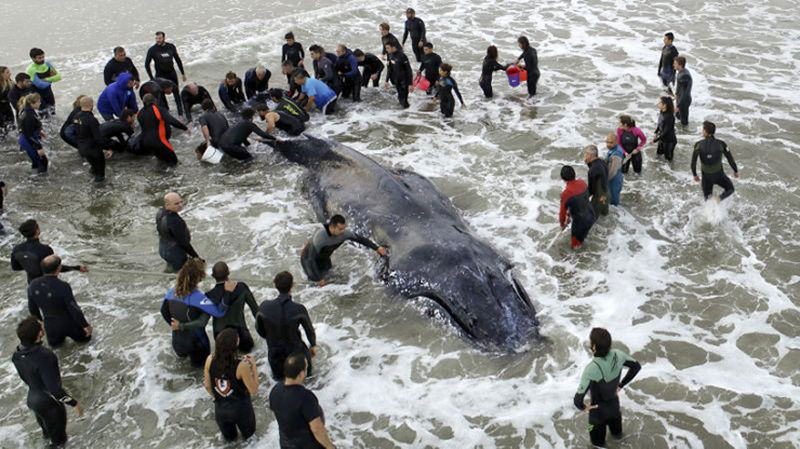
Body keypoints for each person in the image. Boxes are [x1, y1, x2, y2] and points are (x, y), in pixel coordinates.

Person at [12, 317, 85, 448]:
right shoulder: (45, 356)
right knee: (59, 443)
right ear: (39, 334)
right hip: (50, 404)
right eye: (41, 327)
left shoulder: (16, 355)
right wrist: (74, 403)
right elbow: (54, 390)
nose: (43, 327)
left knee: (47, 435)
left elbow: (25, 378)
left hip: (33, 401)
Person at [574, 328, 641, 448]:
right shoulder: (618, 354)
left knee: (597, 445)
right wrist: (621, 385)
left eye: (590, 341)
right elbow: (636, 367)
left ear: (594, 347)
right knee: (619, 437)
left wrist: (585, 408)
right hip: (615, 410)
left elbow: (577, 401)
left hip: (597, 416)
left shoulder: (591, 369)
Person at [161, 258, 235, 367]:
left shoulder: (172, 292)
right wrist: (228, 292)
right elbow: (219, 312)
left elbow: (163, 311)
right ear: (200, 277)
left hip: (177, 342)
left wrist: (175, 326)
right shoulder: (198, 298)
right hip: (196, 344)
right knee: (201, 373)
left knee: (183, 372)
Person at [256, 272, 316, 380]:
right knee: (308, 380)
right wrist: (313, 345)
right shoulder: (299, 309)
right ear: (292, 286)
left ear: (275, 285)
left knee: (280, 382)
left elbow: (259, 329)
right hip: (296, 355)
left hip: (275, 355)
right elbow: (309, 331)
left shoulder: (264, 307)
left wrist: (271, 337)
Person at [268, 353, 336, 449]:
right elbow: (317, 429)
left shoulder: (275, 390)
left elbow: (277, 414)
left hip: (286, 444)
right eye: (306, 367)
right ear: (301, 373)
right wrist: (330, 447)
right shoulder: (306, 397)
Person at [203, 328, 259, 441]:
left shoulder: (209, 360)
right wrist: (253, 365)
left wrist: (220, 398)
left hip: (221, 410)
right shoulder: (241, 366)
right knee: (250, 440)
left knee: (230, 443)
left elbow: (207, 386)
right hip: (241, 410)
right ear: (235, 344)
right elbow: (254, 390)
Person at [301, 214, 386, 285]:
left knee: (331, 280)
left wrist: (377, 248)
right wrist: (318, 278)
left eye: (344, 228)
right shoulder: (320, 238)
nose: (343, 231)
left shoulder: (344, 234)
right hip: (308, 261)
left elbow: (360, 239)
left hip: (324, 258)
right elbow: (310, 259)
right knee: (316, 285)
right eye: (340, 229)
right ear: (332, 227)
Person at [27, 255, 92, 346]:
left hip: (51, 327)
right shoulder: (63, 286)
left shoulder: (33, 285)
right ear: (59, 268)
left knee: (58, 350)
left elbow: (32, 308)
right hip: (70, 324)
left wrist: (41, 323)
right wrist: (85, 325)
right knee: (86, 342)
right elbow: (73, 308)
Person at [11, 219, 88, 284]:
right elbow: (55, 268)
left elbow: (15, 267)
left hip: (32, 286)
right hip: (47, 286)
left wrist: (30, 265)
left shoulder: (17, 249)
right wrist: (77, 268)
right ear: (37, 230)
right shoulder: (45, 249)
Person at [205, 262, 259, 353]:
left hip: (221, 339)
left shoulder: (209, 296)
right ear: (228, 272)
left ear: (213, 276)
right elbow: (256, 311)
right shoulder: (242, 287)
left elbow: (203, 321)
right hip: (242, 336)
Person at [691, 121, 739, 202]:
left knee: (707, 199)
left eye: (703, 130)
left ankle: (710, 212)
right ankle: (719, 199)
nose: (702, 131)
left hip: (706, 178)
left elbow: (693, 163)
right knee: (730, 189)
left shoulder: (698, 145)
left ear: (706, 131)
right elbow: (730, 159)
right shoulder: (721, 144)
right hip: (719, 175)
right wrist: (735, 171)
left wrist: (695, 175)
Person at [137, 93, 187, 164]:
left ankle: (160, 174)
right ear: (154, 101)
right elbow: (171, 120)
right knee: (175, 163)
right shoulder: (158, 109)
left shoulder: (140, 113)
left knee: (161, 162)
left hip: (146, 143)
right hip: (159, 141)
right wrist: (185, 128)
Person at [145, 31, 186, 114]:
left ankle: (180, 113)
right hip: (160, 76)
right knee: (161, 96)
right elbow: (146, 65)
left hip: (171, 74)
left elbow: (178, 60)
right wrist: (152, 79)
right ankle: (166, 112)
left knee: (176, 93)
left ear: (164, 38)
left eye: (159, 38)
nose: (158, 40)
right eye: (156, 38)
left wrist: (182, 73)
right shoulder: (152, 50)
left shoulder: (170, 47)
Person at [157, 192, 200, 271]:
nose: (180, 205)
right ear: (167, 205)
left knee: (171, 269)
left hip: (163, 250)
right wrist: (196, 257)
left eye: (181, 202)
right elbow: (184, 243)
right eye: (176, 204)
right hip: (175, 254)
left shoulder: (160, 212)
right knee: (182, 276)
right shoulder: (175, 221)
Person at [75, 96, 112, 182]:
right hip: (93, 150)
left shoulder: (76, 117)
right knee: (100, 175)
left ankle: (91, 182)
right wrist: (108, 148)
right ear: (92, 105)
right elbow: (98, 138)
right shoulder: (92, 120)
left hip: (82, 148)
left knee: (93, 167)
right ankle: (99, 192)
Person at [559, 165, 595, 250]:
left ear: (562, 178)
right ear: (574, 174)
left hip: (580, 223)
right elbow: (581, 200)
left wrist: (562, 225)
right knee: (583, 237)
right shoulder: (582, 182)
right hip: (591, 215)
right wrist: (569, 214)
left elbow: (562, 213)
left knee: (575, 247)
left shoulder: (566, 193)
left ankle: (579, 260)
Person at [17, 93, 49, 173]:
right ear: (31, 103)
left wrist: (39, 131)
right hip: (28, 140)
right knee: (42, 161)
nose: (40, 103)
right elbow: (29, 134)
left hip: (25, 138)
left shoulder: (26, 110)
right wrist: (39, 147)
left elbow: (26, 127)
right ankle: (39, 181)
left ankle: (34, 177)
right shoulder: (29, 115)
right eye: (38, 102)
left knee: (36, 162)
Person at [26, 48, 61, 114]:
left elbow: (59, 77)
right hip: (38, 94)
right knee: (44, 114)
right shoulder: (30, 69)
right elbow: (40, 85)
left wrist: (46, 79)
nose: (42, 59)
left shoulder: (47, 64)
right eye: (39, 58)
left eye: (43, 57)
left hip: (48, 91)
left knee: (52, 111)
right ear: (33, 58)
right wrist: (52, 78)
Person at [384, 41, 413, 109]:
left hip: (404, 80)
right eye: (386, 48)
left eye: (388, 48)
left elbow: (409, 70)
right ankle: (403, 115)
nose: (386, 50)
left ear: (393, 47)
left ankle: (407, 113)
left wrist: (410, 84)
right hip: (396, 80)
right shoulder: (389, 55)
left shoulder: (402, 56)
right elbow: (389, 69)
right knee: (400, 98)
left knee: (404, 100)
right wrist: (386, 81)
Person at [584, 145, 609, 217]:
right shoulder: (602, 162)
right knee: (604, 215)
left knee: (591, 217)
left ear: (590, 155)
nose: (585, 156)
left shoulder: (592, 170)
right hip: (606, 194)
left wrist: (584, 198)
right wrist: (588, 163)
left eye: (586, 154)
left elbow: (591, 189)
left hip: (599, 198)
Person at [653, 96, 677, 162]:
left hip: (669, 141)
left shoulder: (669, 117)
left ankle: (670, 171)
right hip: (662, 138)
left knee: (668, 160)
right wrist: (656, 132)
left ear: (664, 105)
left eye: (660, 103)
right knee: (658, 155)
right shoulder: (662, 111)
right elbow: (660, 123)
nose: (657, 104)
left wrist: (655, 140)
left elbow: (666, 131)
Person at [604, 134, 625, 207]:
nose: (608, 144)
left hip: (614, 179)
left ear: (616, 142)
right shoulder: (613, 149)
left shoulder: (616, 154)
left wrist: (604, 180)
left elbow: (613, 171)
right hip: (614, 177)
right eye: (607, 142)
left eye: (611, 142)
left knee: (613, 201)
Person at [673, 56, 692, 126]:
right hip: (680, 99)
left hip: (684, 101)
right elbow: (680, 88)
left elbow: (685, 93)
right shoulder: (681, 72)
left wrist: (678, 105)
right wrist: (676, 95)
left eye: (675, 63)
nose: (673, 65)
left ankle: (687, 134)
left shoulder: (685, 76)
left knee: (684, 122)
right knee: (678, 117)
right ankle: (680, 134)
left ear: (680, 65)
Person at [0, 66, 14, 137]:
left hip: (7, 107)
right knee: (2, 129)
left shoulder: (10, 82)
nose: (10, 73)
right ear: (1, 74)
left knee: (12, 125)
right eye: (7, 72)